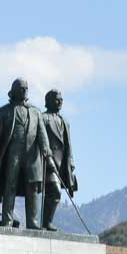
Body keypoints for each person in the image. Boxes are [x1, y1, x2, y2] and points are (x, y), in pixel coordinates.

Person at [0, 78, 53, 229]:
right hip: (12, 153)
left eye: (26, 87)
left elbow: (42, 135)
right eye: (20, 88)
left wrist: (47, 154)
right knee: (10, 185)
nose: (24, 90)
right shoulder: (3, 111)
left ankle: (32, 222)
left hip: (32, 155)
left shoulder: (35, 112)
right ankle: (7, 220)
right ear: (13, 91)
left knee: (32, 188)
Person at [41, 88, 78, 231]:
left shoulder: (64, 121)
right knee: (55, 191)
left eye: (61, 99)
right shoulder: (43, 118)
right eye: (57, 99)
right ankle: (46, 222)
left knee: (56, 192)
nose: (60, 101)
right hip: (47, 163)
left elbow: (69, 146)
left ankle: (46, 222)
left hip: (62, 165)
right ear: (49, 101)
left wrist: (71, 165)